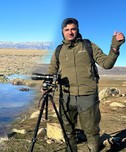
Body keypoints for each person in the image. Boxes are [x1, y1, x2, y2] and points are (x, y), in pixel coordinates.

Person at [48, 18, 125, 152]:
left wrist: (115, 47)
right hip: (66, 97)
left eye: (73, 29)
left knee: (92, 131)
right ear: (62, 32)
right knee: (68, 130)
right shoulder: (59, 50)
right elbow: (51, 70)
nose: (70, 32)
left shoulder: (88, 45)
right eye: (67, 30)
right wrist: (47, 84)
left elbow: (107, 64)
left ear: (77, 30)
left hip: (88, 97)